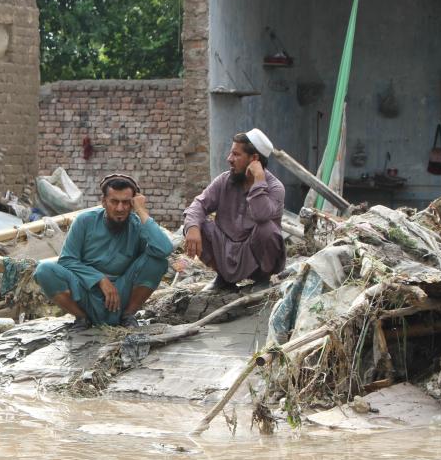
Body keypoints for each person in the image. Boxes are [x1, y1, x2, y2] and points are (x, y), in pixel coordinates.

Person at [34, 173, 173, 329]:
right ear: (104, 202)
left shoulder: (137, 225)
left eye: (126, 203)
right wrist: (100, 279)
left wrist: (141, 211)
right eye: (114, 201)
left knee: (157, 262)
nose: (120, 208)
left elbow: (164, 249)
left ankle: (127, 316)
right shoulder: (84, 221)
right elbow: (67, 260)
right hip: (85, 290)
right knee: (44, 270)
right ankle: (82, 319)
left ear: (132, 204)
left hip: (122, 293)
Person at [183, 129, 286, 290]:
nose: (229, 159)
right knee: (196, 223)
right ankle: (224, 279)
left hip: (254, 251)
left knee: (267, 229)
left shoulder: (275, 187)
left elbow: (261, 215)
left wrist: (259, 181)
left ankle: (262, 279)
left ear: (254, 159)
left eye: (236, 155)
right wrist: (193, 228)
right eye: (231, 154)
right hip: (225, 246)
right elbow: (199, 204)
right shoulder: (224, 180)